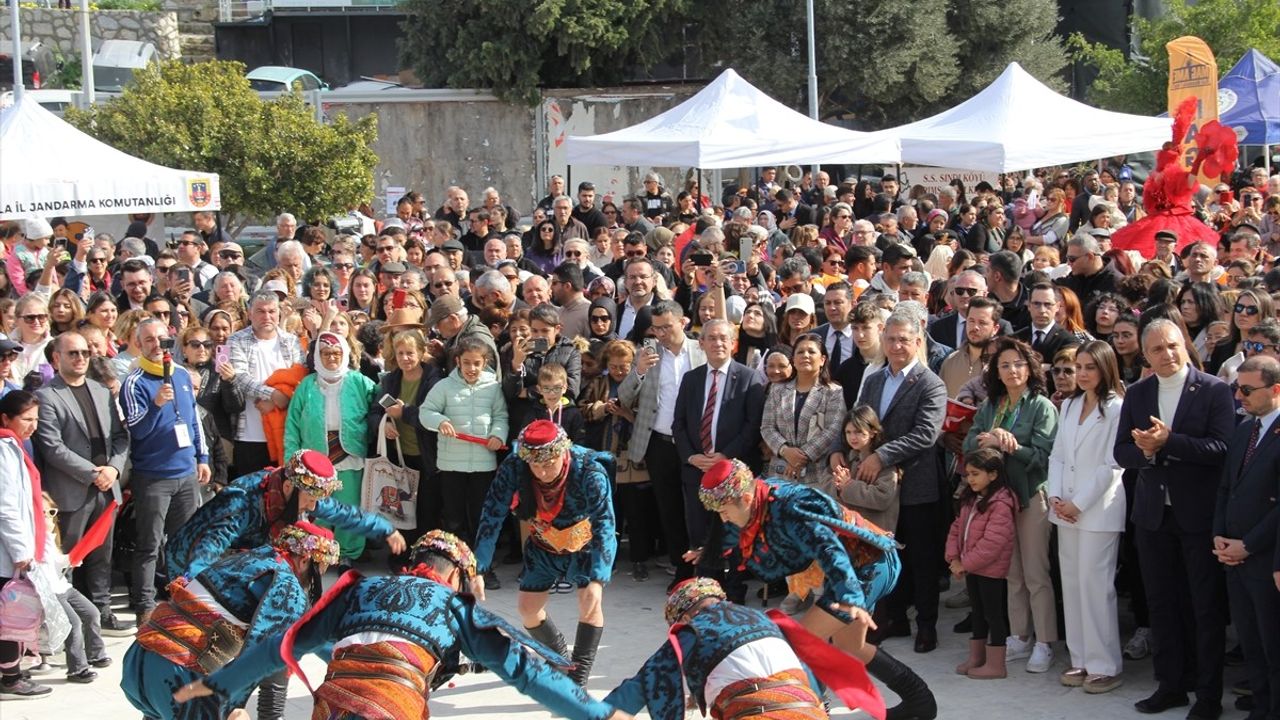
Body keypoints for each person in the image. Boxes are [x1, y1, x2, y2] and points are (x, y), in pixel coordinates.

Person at [176, 530, 635, 720]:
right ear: (454, 574)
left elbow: (282, 645)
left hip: (334, 704)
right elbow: (525, 672)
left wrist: (217, 685)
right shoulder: (455, 606)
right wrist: (595, 713)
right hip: (391, 708)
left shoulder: (358, 590)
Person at [694, 459, 935, 720]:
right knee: (851, 646)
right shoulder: (758, 498)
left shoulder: (789, 505)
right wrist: (708, 552)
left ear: (746, 496)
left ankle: (816, 714)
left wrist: (850, 598)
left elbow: (828, 547)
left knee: (803, 643)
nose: (723, 517)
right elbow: (735, 531)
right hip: (850, 568)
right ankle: (919, 700)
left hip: (868, 565)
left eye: (724, 509)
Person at [1114, 318, 1235, 718]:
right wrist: (1147, 452)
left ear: (1183, 343)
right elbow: (1121, 453)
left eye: (1172, 346)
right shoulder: (1139, 393)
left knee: (1203, 606)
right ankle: (1171, 685)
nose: (1166, 355)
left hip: (1198, 516)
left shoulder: (1214, 389)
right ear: (1145, 356)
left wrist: (1169, 443)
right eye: (1157, 350)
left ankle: (1208, 695)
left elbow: (1221, 447)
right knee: (1162, 603)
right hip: (1153, 516)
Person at [122, 522, 335, 720]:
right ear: (305, 560)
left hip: (138, 659)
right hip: (175, 673)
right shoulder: (287, 588)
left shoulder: (248, 559)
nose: (321, 575)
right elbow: (275, 657)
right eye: (321, 568)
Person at [606, 577, 882, 720]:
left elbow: (638, 689)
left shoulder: (693, 631)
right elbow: (808, 682)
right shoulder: (767, 620)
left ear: (685, 617)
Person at [473, 421, 616, 686]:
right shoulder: (515, 466)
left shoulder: (589, 471)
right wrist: (479, 567)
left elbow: (605, 523)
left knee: (590, 602)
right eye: (535, 465)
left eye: (549, 463)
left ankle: (578, 681)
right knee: (527, 609)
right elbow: (492, 512)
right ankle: (559, 658)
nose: (542, 472)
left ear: (564, 452)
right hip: (542, 545)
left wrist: (599, 578)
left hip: (584, 547)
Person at [849, 310, 947, 655]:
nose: (896, 345)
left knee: (921, 558)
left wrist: (881, 456)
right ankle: (893, 619)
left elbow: (925, 434)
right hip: (878, 491)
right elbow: (858, 421)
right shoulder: (874, 380)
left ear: (918, 342)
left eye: (904, 339)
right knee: (886, 555)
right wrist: (838, 453)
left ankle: (927, 626)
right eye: (890, 339)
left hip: (917, 484)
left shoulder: (930, 383)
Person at [961, 336, 1059, 672]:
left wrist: (1012, 446)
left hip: (1031, 496)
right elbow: (970, 439)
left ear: (1030, 368)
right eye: (1004, 365)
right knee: (1012, 573)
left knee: (1036, 574)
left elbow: (1045, 457)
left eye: (1018, 363)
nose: (1012, 370)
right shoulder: (992, 405)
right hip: (999, 501)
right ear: (996, 372)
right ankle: (1020, 635)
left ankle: (1045, 642)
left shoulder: (1041, 406)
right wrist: (985, 439)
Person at [32, 331, 132, 635]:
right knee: (68, 560)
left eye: (85, 353)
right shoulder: (46, 396)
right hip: (71, 490)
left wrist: (113, 470)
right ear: (56, 358)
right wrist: (94, 473)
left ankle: (102, 613)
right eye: (73, 353)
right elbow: (52, 447)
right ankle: (69, 624)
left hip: (106, 488)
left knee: (102, 555)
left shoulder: (101, 391)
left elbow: (120, 437)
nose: (80, 359)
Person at [1047, 341, 1127, 694]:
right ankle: (1079, 658)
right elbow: (1058, 455)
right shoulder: (1070, 406)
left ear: (1105, 369)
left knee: (1096, 587)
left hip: (1098, 510)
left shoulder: (1117, 409)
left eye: (1089, 367)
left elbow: (1112, 465)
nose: (1080, 374)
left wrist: (1078, 503)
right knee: (1073, 584)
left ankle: (1104, 663)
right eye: (1077, 366)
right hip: (1065, 508)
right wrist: (1056, 495)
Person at [121, 318, 209, 624]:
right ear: (139, 344)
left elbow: (194, 419)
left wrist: (203, 456)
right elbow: (137, 430)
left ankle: (182, 598)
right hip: (154, 476)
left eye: (162, 338)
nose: (157, 345)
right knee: (150, 543)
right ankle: (144, 603)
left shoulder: (182, 374)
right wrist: (157, 404)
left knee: (183, 542)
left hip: (186, 473)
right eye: (149, 340)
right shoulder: (135, 382)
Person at [1212, 356, 1280, 720]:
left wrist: (1248, 544)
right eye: (1237, 388)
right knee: (1250, 640)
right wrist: (1220, 537)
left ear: (1276, 390)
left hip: (1265, 556)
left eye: (1248, 390)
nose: (1239, 396)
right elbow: (1226, 488)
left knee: (1272, 643)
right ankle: (1261, 702)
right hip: (1234, 555)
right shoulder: (1243, 430)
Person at [619, 300, 706, 582]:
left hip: (695, 444)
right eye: (656, 329)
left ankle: (702, 567)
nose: (661, 334)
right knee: (668, 508)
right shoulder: (648, 353)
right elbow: (624, 396)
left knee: (698, 506)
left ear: (683, 323)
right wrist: (639, 371)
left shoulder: (700, 350)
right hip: (658, 441)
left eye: (666, 327)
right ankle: (681, 570)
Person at [672, 319, 765, 572]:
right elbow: (678, 424)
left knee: (732, 536)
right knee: (700, 535)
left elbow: (753, 426)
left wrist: (725, 455)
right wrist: (691, 457)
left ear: (734, 344)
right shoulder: (691, 379)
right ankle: (705, 587)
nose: (718, 343)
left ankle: (733, 592)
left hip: (732, 472)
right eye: (711, 338)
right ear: (701, 343)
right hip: (697, 471)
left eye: (724, 338)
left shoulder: (749, 378)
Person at [283, 331, 378, 565]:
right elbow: (293, 423)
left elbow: (379, 405)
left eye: (336, 353)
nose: (331, 358)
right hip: (316, 459)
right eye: (325, 353)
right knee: (317, 507)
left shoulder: (359, 382)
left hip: (350, 453)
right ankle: (317, 552)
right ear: (317, 356)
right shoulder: (307, 385)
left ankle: (348, 554)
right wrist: (291, 458)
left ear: (345, 354)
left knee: (349, 508)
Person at [420, 336, 508, 563]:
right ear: (458, 361)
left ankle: (482, 566)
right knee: (454, 518)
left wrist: (498, 435)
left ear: (485, 362)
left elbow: (500, 415)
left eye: (476, 363)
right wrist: (439, 421)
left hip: (483, 463)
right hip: (451, 464)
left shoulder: (492, 386)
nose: (471, 368)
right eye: (467, 362)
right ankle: (456, 564)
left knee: (481, 516)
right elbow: (425, 412)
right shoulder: (444, 386)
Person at [946, 448, 1018, 679]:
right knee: (977, 611)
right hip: (972, 567)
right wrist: (954, 558)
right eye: (968, 474)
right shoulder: (971, 498)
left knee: (993, 614)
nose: (970, 479)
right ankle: (977, 658)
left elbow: (992, 544)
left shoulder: (1001, 503)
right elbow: (957, 528)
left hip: (990, 571)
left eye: (976, 473)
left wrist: (964, 564)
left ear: (993, 474)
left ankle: (997, 664)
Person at [0, 390, 53, 699]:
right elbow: (6, 505)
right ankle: (10, 678)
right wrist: (22, 551)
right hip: (8, 551)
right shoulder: (4, 449)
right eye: (26, 419)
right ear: (6, 419)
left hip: (13, 548)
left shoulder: (14, 446)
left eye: (36, 419)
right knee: (10, 616)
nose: (33, 426)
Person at [760, 333, 844, 496]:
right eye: (800, 352)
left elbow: (833, 430)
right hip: (780, 473)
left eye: (811, 352)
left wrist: (801, 456)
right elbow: (767, 427)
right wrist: (785, 451)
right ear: (793, 359)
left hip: (817, 476)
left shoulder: (833, 392)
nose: (805, 355)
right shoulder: (777, 390)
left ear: (822, 360)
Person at [832, 405, 900, 533]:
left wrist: (848, 486)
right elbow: (827, 484)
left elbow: (882, 498)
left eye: (858, 432)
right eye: (848, 432)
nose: (852, 437)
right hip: (848, 531)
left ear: (873, 432)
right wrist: (838, 486)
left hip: (874, 535)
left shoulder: (885, 463)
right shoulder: (847, 458)